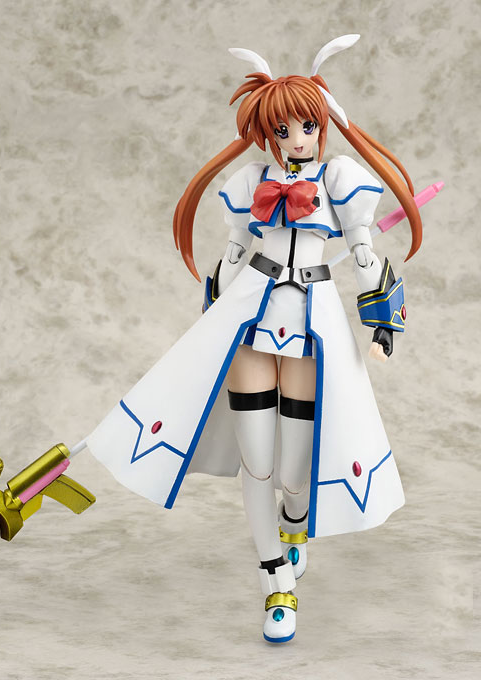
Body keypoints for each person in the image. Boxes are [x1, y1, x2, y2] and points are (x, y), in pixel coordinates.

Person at [86, 35, 422, 643]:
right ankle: (275, 581)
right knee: (258, 461)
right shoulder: (248, 184)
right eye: (284, 129)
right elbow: (235, 254)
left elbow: (365, 255)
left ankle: (295, 528)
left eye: (308, 126)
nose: (298, 139)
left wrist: (383, 321)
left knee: (295, 470)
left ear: (322, 126)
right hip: (249, 324)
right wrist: (212, 311)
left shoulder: (341, 179)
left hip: (313, 328)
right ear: (267, 134)